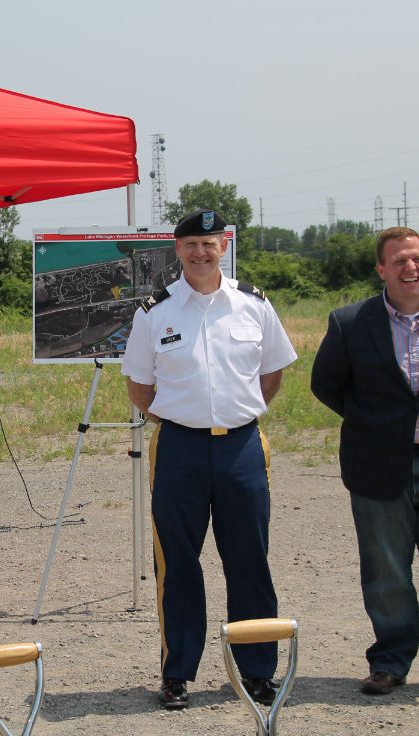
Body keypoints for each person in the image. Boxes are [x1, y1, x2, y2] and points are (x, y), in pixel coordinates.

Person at [122, 209, 298, 709]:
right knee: (177, 562)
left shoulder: (253, 305)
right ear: (176, 251)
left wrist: (245, 412)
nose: (201, 253)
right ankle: (177, 672)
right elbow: (138, 383)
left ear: (224, 247)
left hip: (242, 446)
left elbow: (272, 372)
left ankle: (258, 670)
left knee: (249, 561)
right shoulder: (154, 312)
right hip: (180, 448)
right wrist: (174, 419)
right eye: (191, 245)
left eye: (210, 244)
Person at [310, 226, 419, 699]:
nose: (411, 268)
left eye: (418, 259)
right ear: (381, 269)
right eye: (400, 262)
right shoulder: (350, 322)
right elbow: (326, 384)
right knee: (385, 569)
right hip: (377, 463)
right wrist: (376, 423)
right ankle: (390, 662)